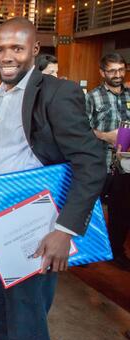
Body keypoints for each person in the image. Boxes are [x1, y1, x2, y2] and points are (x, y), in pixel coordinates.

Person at [0, 18, 106, 340]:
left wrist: (65, 230)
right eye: (0, 48)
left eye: (17, 48)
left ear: (34, 50)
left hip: (34, 229)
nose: (7, 56)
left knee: (25, 328)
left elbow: (91, 162)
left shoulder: (58, 93)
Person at [85, 53, 130, 270]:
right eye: (112, 70)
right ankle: (85, 251)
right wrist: (105, 136)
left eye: (121, 70)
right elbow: (81, 129)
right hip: (99, 162)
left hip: (125, 165)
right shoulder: (93, 97)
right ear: (102, 72)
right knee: (89, 209)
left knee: (122, 211)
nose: (117, 75)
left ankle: (116, 251)